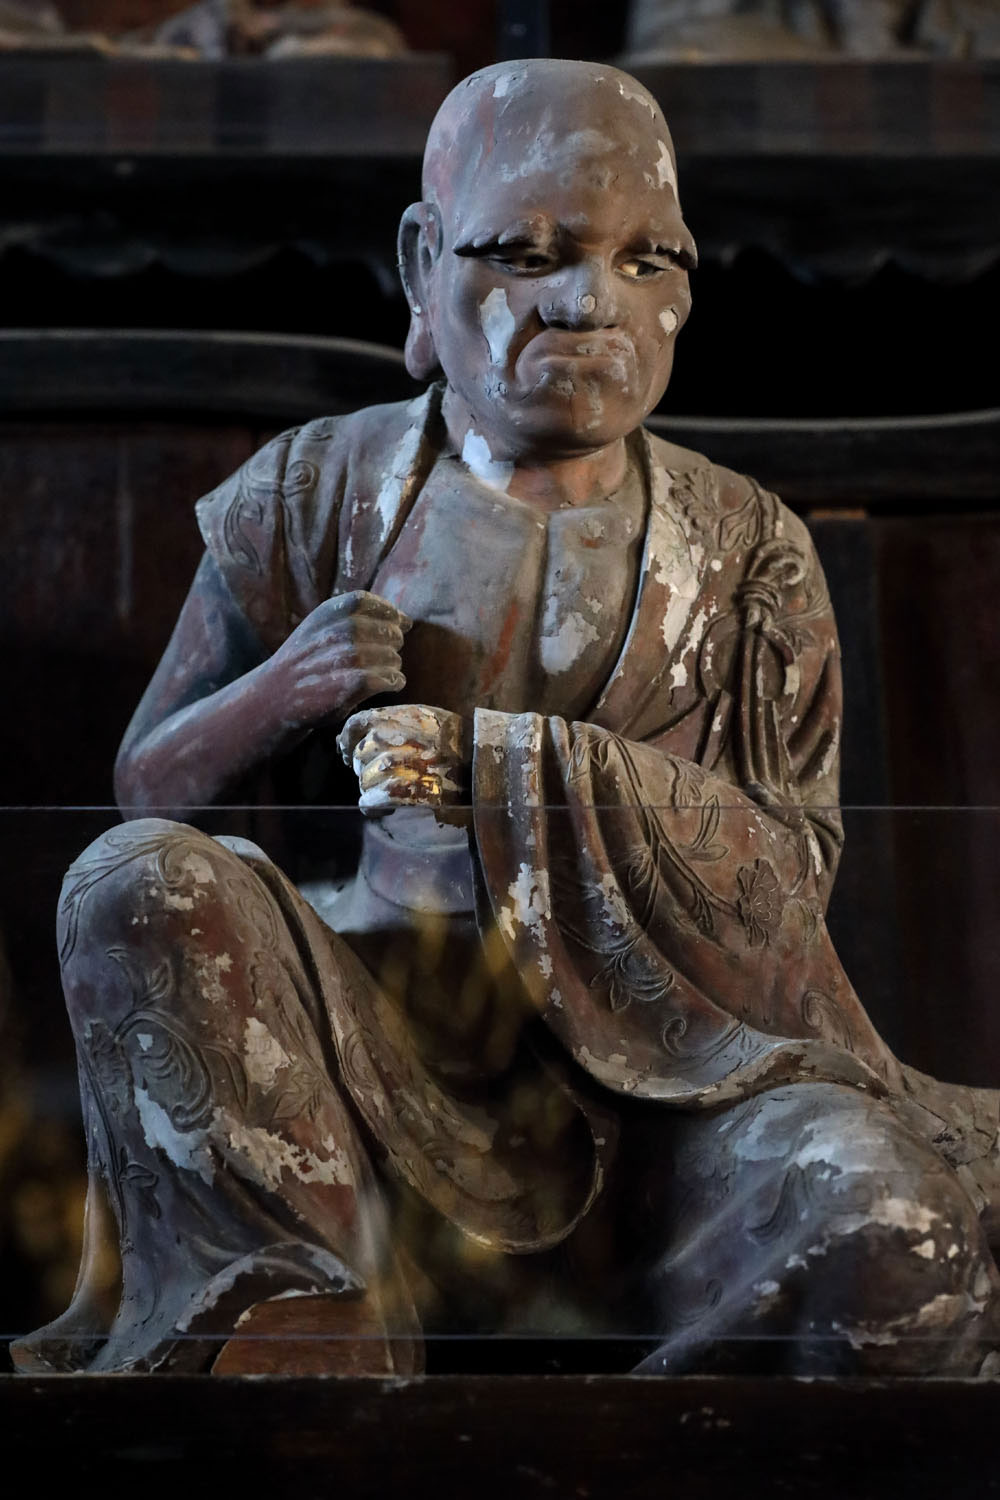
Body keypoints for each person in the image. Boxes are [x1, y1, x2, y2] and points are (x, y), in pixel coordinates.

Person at [15, 58, 1000, 1377]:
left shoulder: (746, 548)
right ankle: (298, 1304)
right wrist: (286, 688)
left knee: (896, 1231)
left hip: (678, 1092)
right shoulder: (321, 489)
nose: (593, 300)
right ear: (425, 266)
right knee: (130, 881)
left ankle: (637, 1445)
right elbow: (150, 783)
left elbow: (792, 876)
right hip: (367, 1058)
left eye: (650, 261)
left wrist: (498, 766)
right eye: (529, 253)